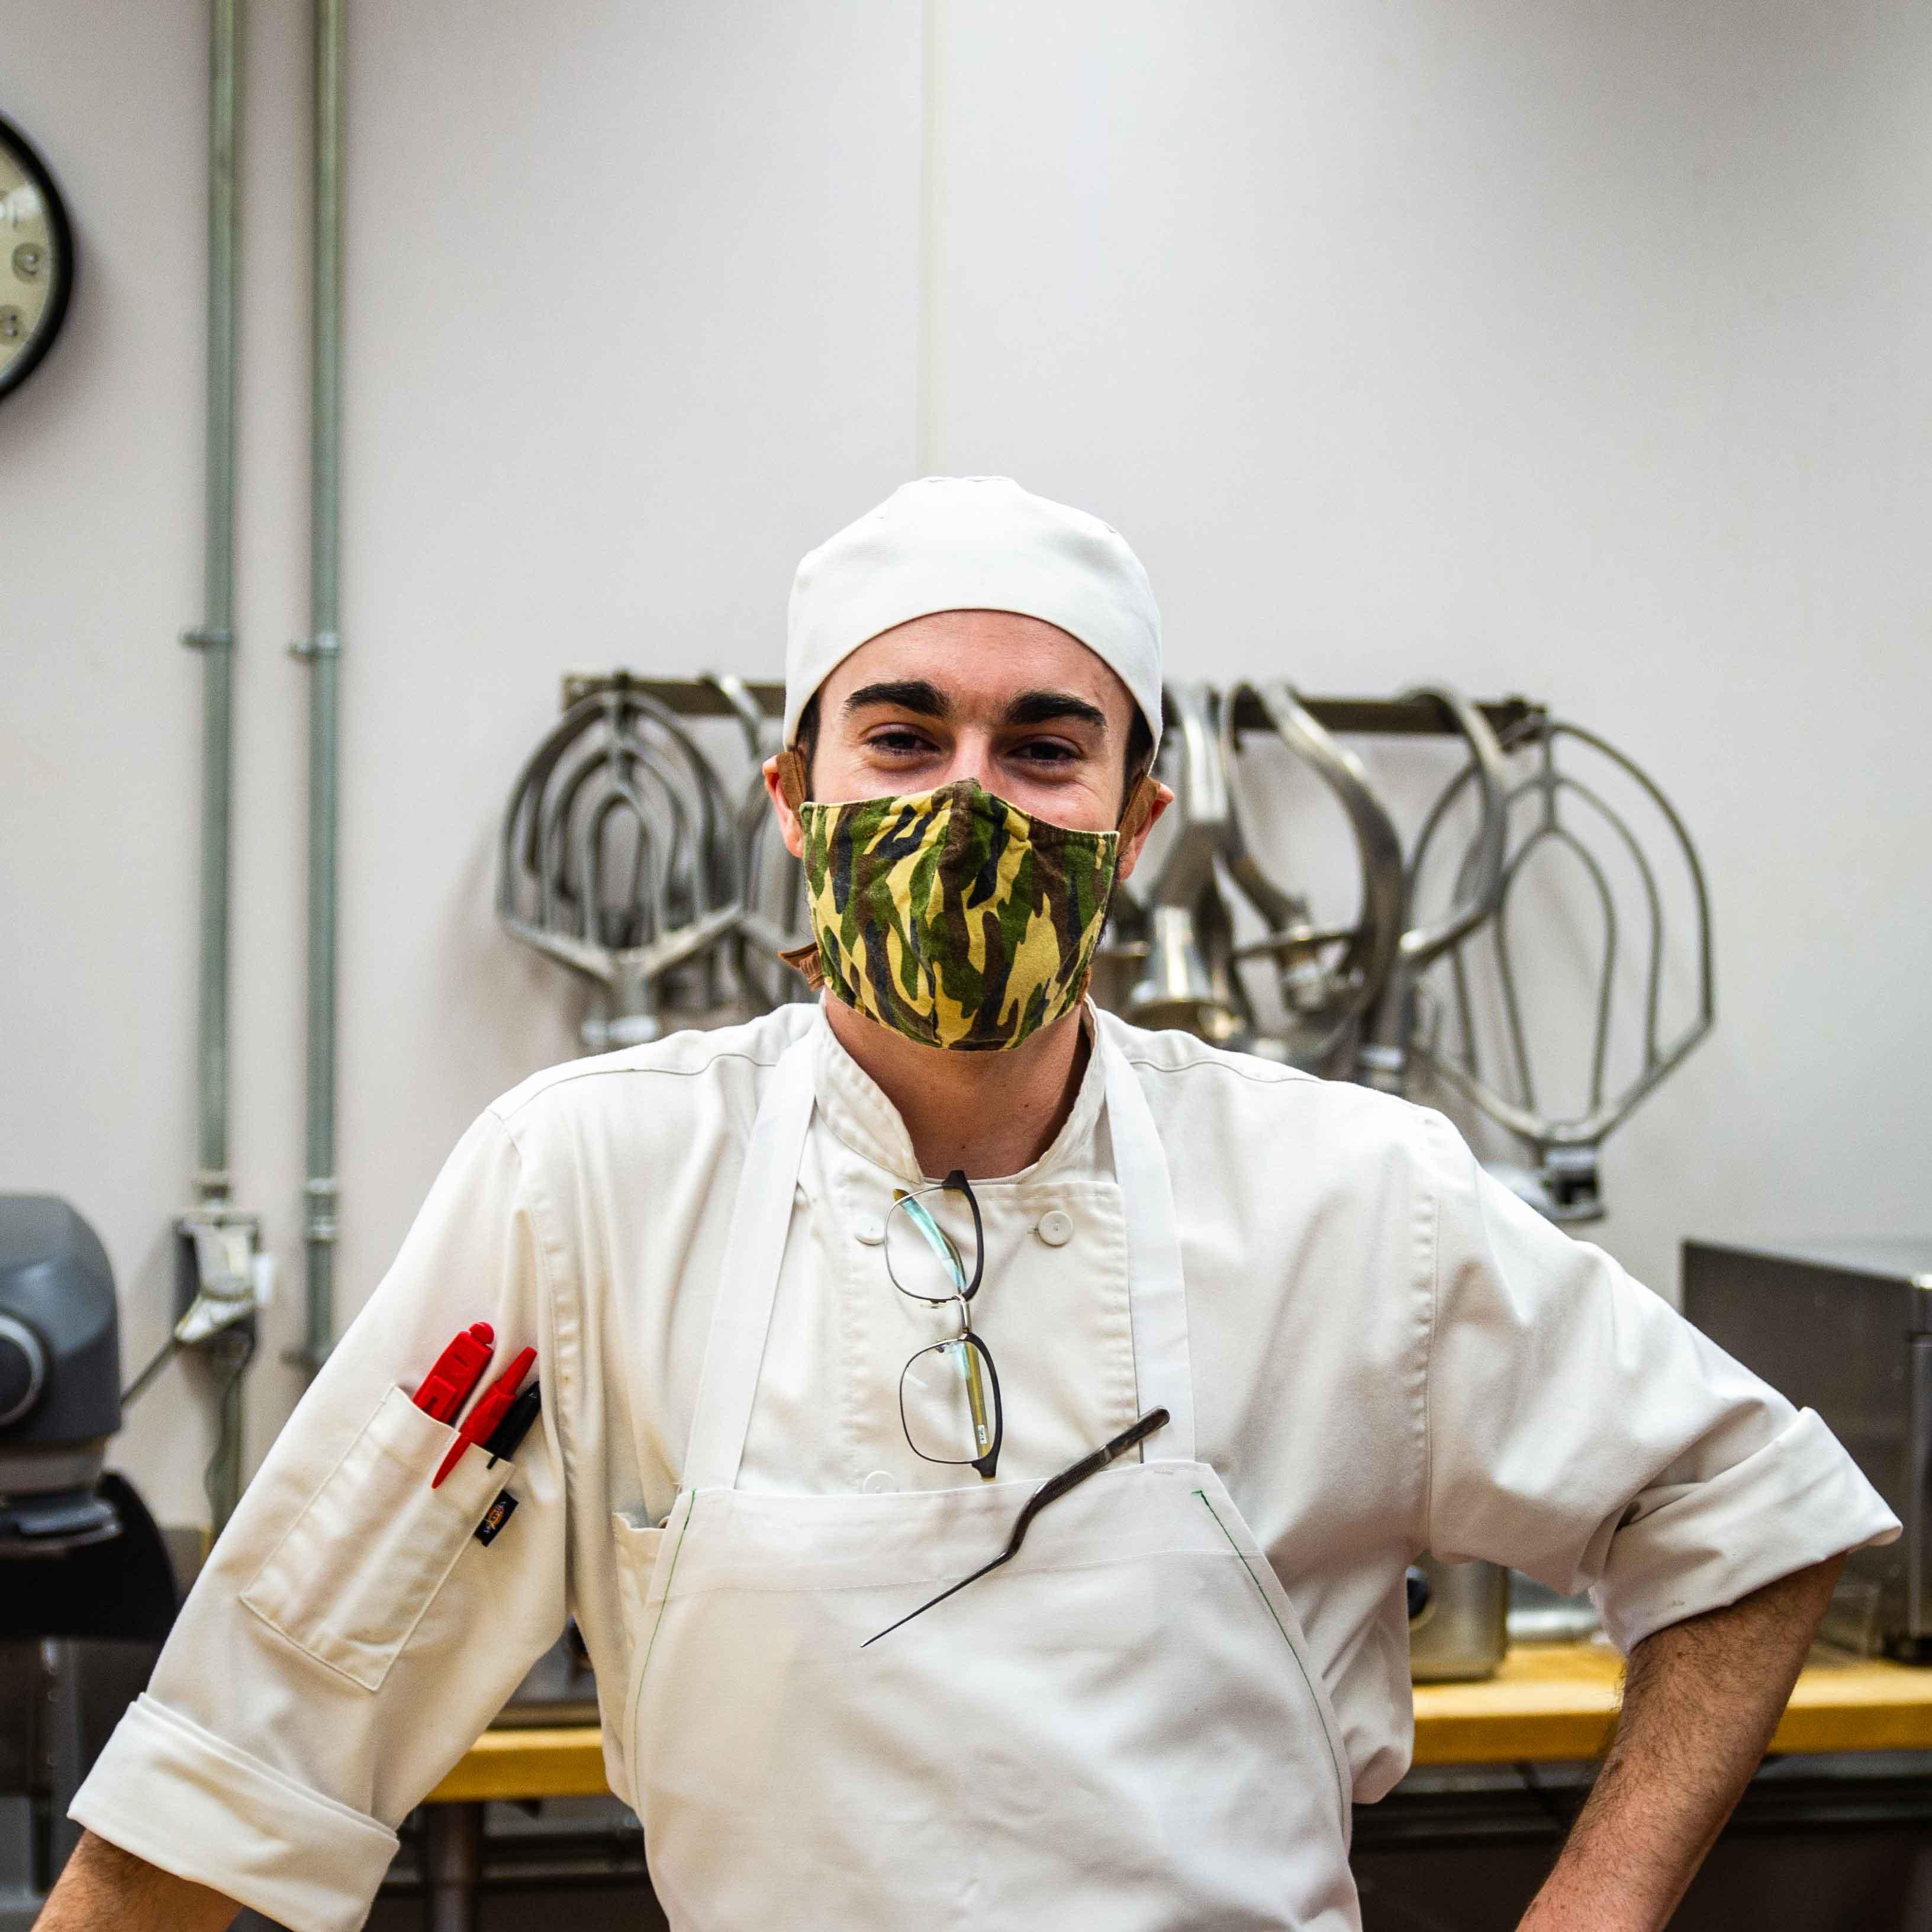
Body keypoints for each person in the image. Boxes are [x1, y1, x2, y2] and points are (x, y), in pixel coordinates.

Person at [41, 478, 1896, 1932]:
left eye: (1043, 749)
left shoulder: (1351, 1196)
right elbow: (244, 1740)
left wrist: (1593, 1909)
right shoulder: (591, 1186)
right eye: (904, 739)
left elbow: (1745, 1512)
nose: (968, 803)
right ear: (794, 794)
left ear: (1135, 821)